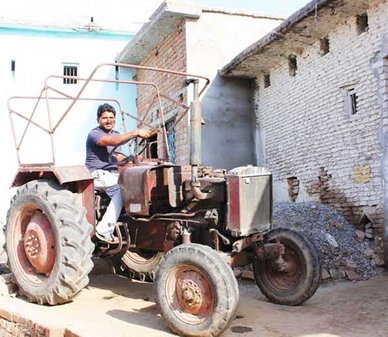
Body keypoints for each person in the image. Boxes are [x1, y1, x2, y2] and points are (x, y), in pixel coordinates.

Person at [85, 103, 151, 242]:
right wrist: (136, 132)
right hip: (96, 173)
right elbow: (112, 142)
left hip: (110, 174)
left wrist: (131, 159)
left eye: (111, 117)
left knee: (136, 185)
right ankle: (104, 230)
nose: (109, 120)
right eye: (105, 118)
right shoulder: (95, 134)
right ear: (98, 119)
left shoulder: (116, 134)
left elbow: (117, 156)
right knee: (122, 191)